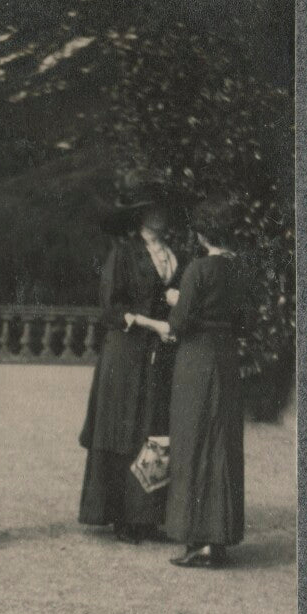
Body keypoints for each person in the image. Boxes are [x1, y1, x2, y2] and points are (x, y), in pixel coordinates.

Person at [131, 193, 246, 568]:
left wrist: (174, 299)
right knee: (222, 444)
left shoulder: (198, 269)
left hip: (197, 361)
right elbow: (244, 321)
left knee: (193, 443)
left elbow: (178, 326)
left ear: (201, 234)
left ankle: (199, 541)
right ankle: (219, 538)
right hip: (226, 358)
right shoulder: (239, 269)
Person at [79, 187, 183, 544]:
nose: (161, 215)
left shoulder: (172, 254)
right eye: (154, 210)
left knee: (153, 429)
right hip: (124, 352)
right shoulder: (123, 254)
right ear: (141, 216)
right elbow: (110, 309)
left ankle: (148, 516)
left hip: (160, 352)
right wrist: (154, 324)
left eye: (163, 209)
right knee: (124, 429)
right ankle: (121, 516)